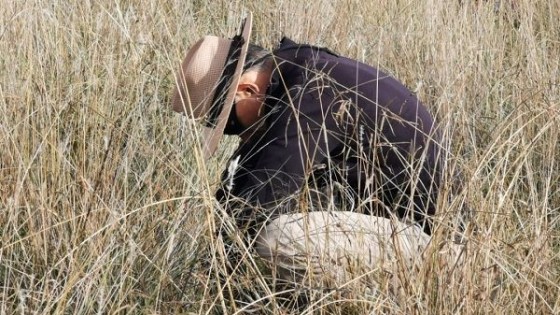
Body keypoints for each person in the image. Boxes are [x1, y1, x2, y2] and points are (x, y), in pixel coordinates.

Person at [171, 13, 444, 297]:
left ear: (247, 90)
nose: (239, 135)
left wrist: (213, 283)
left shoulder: (311, 92)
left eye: (232, 123)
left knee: (276, 239)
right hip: (412, 233)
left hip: (436, 252)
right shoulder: (303, 69)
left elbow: (260, 200)